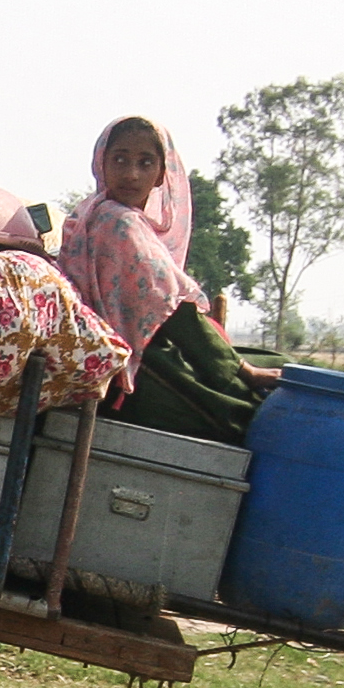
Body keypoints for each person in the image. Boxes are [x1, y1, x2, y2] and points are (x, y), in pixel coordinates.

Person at [58, 115, 280, 445]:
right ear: (101, 162)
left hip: (137, 350)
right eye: (120, 159)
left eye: (145, 163)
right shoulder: (117, 222)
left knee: (278, 362)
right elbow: (172, 309)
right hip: (131, 367)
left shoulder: (98, 212)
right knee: (247, 413)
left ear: (162, 173)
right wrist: (241, 371)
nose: (131, 174)